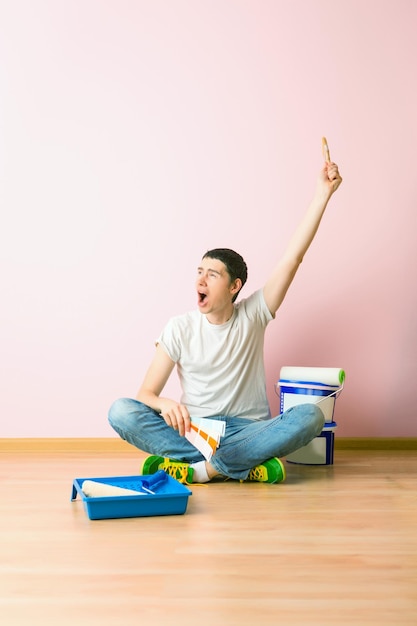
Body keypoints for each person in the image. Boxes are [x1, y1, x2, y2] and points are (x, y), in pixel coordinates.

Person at [108, 157, 342, 484]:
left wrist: (322, 194)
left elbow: (293, 259)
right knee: (121, 410)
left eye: (212, 274)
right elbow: (145, 394)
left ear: (234, 287)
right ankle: (238, 465)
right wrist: (164, 404)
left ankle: (203, 470)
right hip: (195, 431)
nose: (201, 280)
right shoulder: (179, 327)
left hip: (249, 429)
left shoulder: (254, 312)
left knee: (311, 416)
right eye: (199, 272)